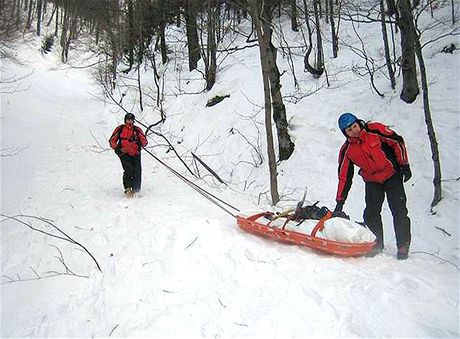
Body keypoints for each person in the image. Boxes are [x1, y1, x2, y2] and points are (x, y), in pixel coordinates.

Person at [333, 112, 412, 259]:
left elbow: (397, 142)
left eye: (354, 126)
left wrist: (404, 164)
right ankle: (376, 244)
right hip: (372, 180)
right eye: (349, 130)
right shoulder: (347, 151)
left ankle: (403, 245)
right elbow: (344, 177)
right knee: (371, 213)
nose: (354, 131)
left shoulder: (375, 130)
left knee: (399, 209)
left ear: (358, 123)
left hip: (391, 175)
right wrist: (340, 202)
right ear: (345, 133)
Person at [109, 113, 148, 197]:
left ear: (133, 121)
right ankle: (128, 188)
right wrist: (116, 148)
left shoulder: (137, 130)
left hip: (135, 153)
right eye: (128, 119)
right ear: (125, 120)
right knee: (128, 169)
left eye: (131, 120)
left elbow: (144, 142)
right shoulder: (120, 129)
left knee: (137, 171)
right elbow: (112, 140)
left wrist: (141, 142)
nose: (129, 121)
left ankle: (136, 190)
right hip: (124, 153)